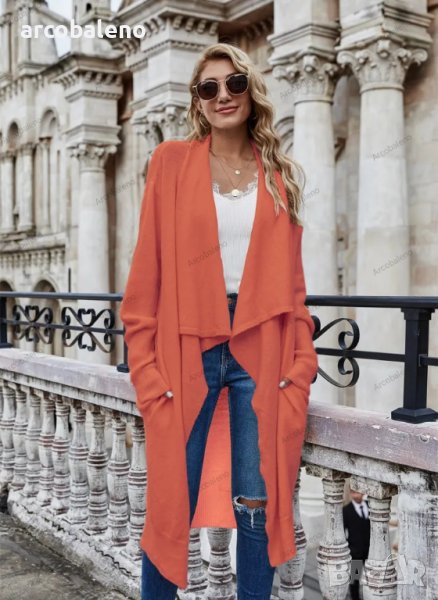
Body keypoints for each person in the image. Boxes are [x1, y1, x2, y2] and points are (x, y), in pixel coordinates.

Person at [120, 42, 318, 600]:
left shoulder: (279, 175)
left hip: (262, 348)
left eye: (234, 83)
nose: (223, 95)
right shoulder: (171, 163)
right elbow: (145, 275)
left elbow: (293, 287)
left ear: (250, 92)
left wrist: (303, 362)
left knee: (257, 504)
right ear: (197, 101)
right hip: (188, 346)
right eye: (209, 87)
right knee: (170, 506)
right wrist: (145, 371)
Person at [343, 487, 371, 600]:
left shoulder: (370, 505)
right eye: (353, 492)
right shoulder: (346, 510)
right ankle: (355, 598)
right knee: (354, 578)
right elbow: (342, 532)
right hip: (355, 552)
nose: (356, 495)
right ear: (350, 493)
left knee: (373, 576)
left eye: (358, 492)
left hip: (370, 550)